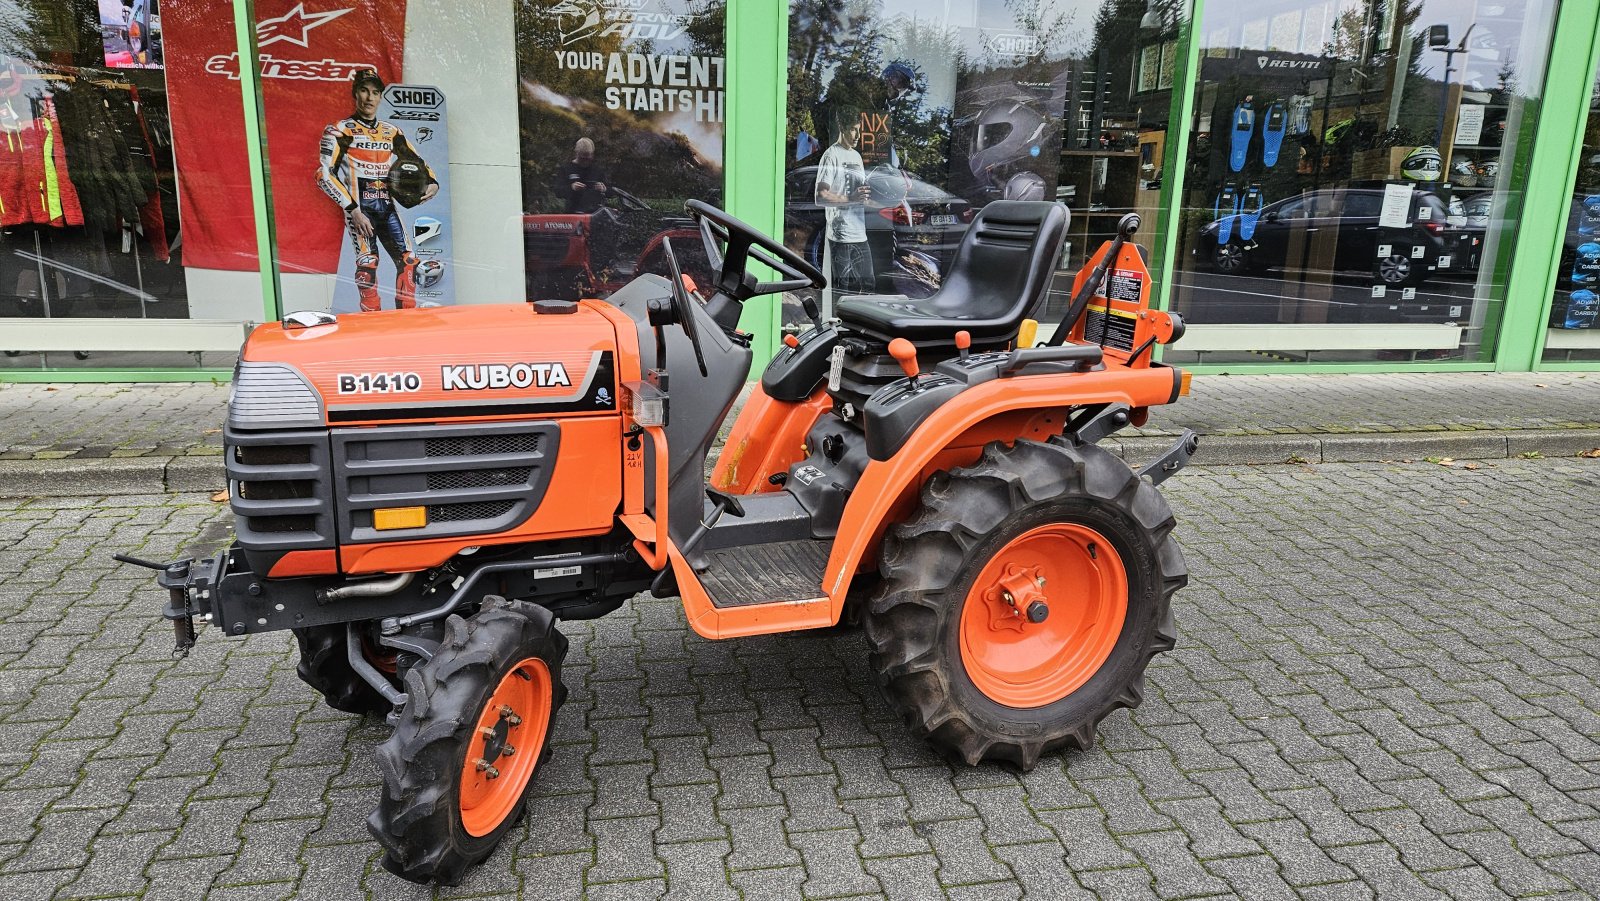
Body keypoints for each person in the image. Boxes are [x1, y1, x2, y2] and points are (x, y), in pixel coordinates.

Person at [316, 69, 437, 312]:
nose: (369, 98)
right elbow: (323, 175)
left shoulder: (391, 132)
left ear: (380, 97)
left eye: (375, 92)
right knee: (368, 265)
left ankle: (406, 319)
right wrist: (352, 210)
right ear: (355, 94)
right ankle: (371, 323)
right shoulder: (340, 130)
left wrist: (432, 183)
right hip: (360, 211)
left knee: (409, 261)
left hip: (387, 207)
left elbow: (419, 163)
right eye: (363, 90)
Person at [814, 110, 875, 295]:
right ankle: (842, 324)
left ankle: (863, 323)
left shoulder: (856, 156)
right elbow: (820, 196)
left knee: (869, 286)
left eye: (859, 130)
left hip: (859, 233)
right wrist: (851, 199)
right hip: (841, 235)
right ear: (842, 128)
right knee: (842, 291)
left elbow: (859, 194)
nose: (858, 135)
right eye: (853, 130)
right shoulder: (831, 155)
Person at [552, 137, 609, 214]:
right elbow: (558, 191)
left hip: (595, 213)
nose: (585, 161)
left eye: (588, 158)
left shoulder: (597, 170)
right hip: (573, 212)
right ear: (577, 153)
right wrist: (572, 187)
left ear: (592, 154)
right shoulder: (566, 169)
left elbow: (611, 190)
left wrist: (603, 189)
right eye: (582, 158)